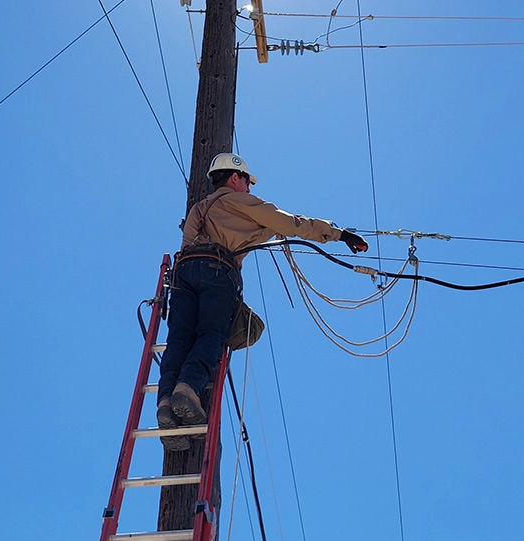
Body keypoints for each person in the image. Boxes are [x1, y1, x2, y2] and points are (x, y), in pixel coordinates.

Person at [157, 153, 369, 449]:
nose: (249, 188)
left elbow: (260, 231)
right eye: (246, 181)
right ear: (234, 178)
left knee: (179, 338)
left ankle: (166, 400)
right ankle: (187, 388)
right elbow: (292, 224)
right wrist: (338, 234)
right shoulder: (242, 203)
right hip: (218, 271)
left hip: (183, 273)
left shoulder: (200, 208)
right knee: (211, 334)